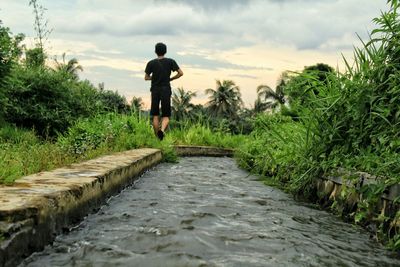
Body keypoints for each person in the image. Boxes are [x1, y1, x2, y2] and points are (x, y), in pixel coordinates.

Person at [145, 42, 183, 140]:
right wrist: (171, 78)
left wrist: (153, 78)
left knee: (155, 115)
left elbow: (146, 77)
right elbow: (180, 73)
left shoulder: (151, 63)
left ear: (155, 51)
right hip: (166, 90)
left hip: (155, 90)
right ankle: (161, 131)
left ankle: (157, 137)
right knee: (166, 115)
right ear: (165, 51)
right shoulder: (171, 61)